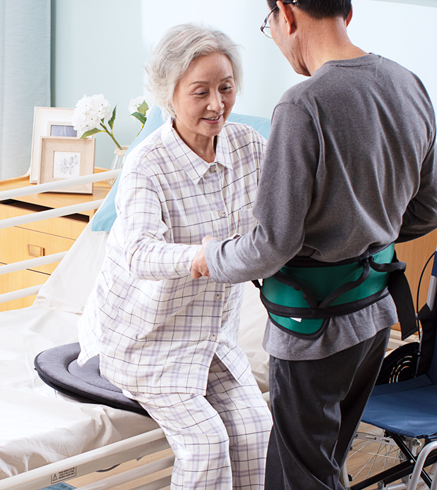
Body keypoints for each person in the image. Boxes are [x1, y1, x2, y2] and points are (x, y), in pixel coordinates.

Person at [191, 2, 437, 489]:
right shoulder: (407, 84)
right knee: (326, 465)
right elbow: (430, 211)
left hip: (312, 326)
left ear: (287, 15)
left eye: (268, 25)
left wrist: (212, 256)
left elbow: (272, 244)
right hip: (374, 317)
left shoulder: (302, 105)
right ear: (345, 14)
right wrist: (366, 233)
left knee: (299, 476)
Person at [77, 24, 272, 490]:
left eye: (226, 88)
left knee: (258, 432)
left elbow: (282, 212)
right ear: (169, 94)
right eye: (200, 92)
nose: (217, 104)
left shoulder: (249, 145)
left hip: (213, 339)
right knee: (207, 444)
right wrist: (203, 257)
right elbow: (139, 251)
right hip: (149, 343)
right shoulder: (147, 164)